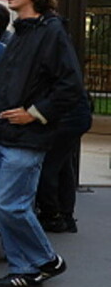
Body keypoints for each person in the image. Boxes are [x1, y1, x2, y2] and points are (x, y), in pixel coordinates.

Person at [0, 0, 84, 287]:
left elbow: (70, 86)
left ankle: (46, 260)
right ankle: (23, 269)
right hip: (3, 133)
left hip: (25, 136)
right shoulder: (22, 32)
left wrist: (34, 114)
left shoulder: (51, 31)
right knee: (5, 206)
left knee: (11, 205)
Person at [35, 91, 92, 233]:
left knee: (48, 167)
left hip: (63, 118)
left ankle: (52, 214)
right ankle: (64, 215)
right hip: (72, 116)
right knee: (62, 164)